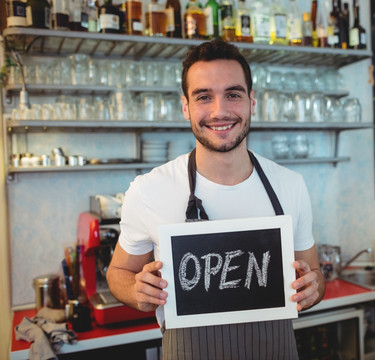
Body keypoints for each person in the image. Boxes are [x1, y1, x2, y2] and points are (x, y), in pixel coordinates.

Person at [106, 39, 325, 359]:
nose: (219, 111)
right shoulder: (148, 190)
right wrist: (135, 291)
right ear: (186, 107)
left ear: (252, 101)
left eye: (233, 94)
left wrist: (314, 287)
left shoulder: (290, 185)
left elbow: (315, 274)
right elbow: (117, 274)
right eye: (204, 97)